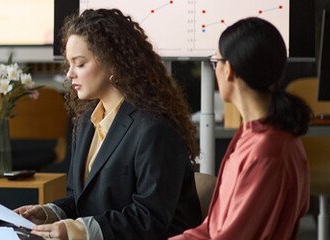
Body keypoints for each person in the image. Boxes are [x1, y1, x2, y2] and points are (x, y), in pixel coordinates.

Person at [13, 9, 202, 240]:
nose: (70, 73)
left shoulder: (154, 128)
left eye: (80, 64)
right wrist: (50, 213)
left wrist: (77, 230)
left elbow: (149, 218)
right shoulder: (86, 122)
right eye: (69, 64)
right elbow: (82, 201)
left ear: (113, 63)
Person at [170, 17, 312, 240]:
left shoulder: (265, 150)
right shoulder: (261, 135)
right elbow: (213, 228)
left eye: (215, 61)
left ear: (229, 70)